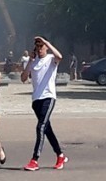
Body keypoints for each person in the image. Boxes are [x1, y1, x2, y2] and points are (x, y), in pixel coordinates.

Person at [21, 36, 67, 171]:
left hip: (48, 97)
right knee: (47, 129)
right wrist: (30, 60)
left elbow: (60, 56)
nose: (39, 49)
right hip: (36, 100)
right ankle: (60, 155)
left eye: (41, 46)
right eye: (37, 46)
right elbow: (23, 78)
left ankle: (34, 160)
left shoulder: (51, 59)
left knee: (40, 127)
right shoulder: (33, 62)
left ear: (46, 47)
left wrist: (47, 42)